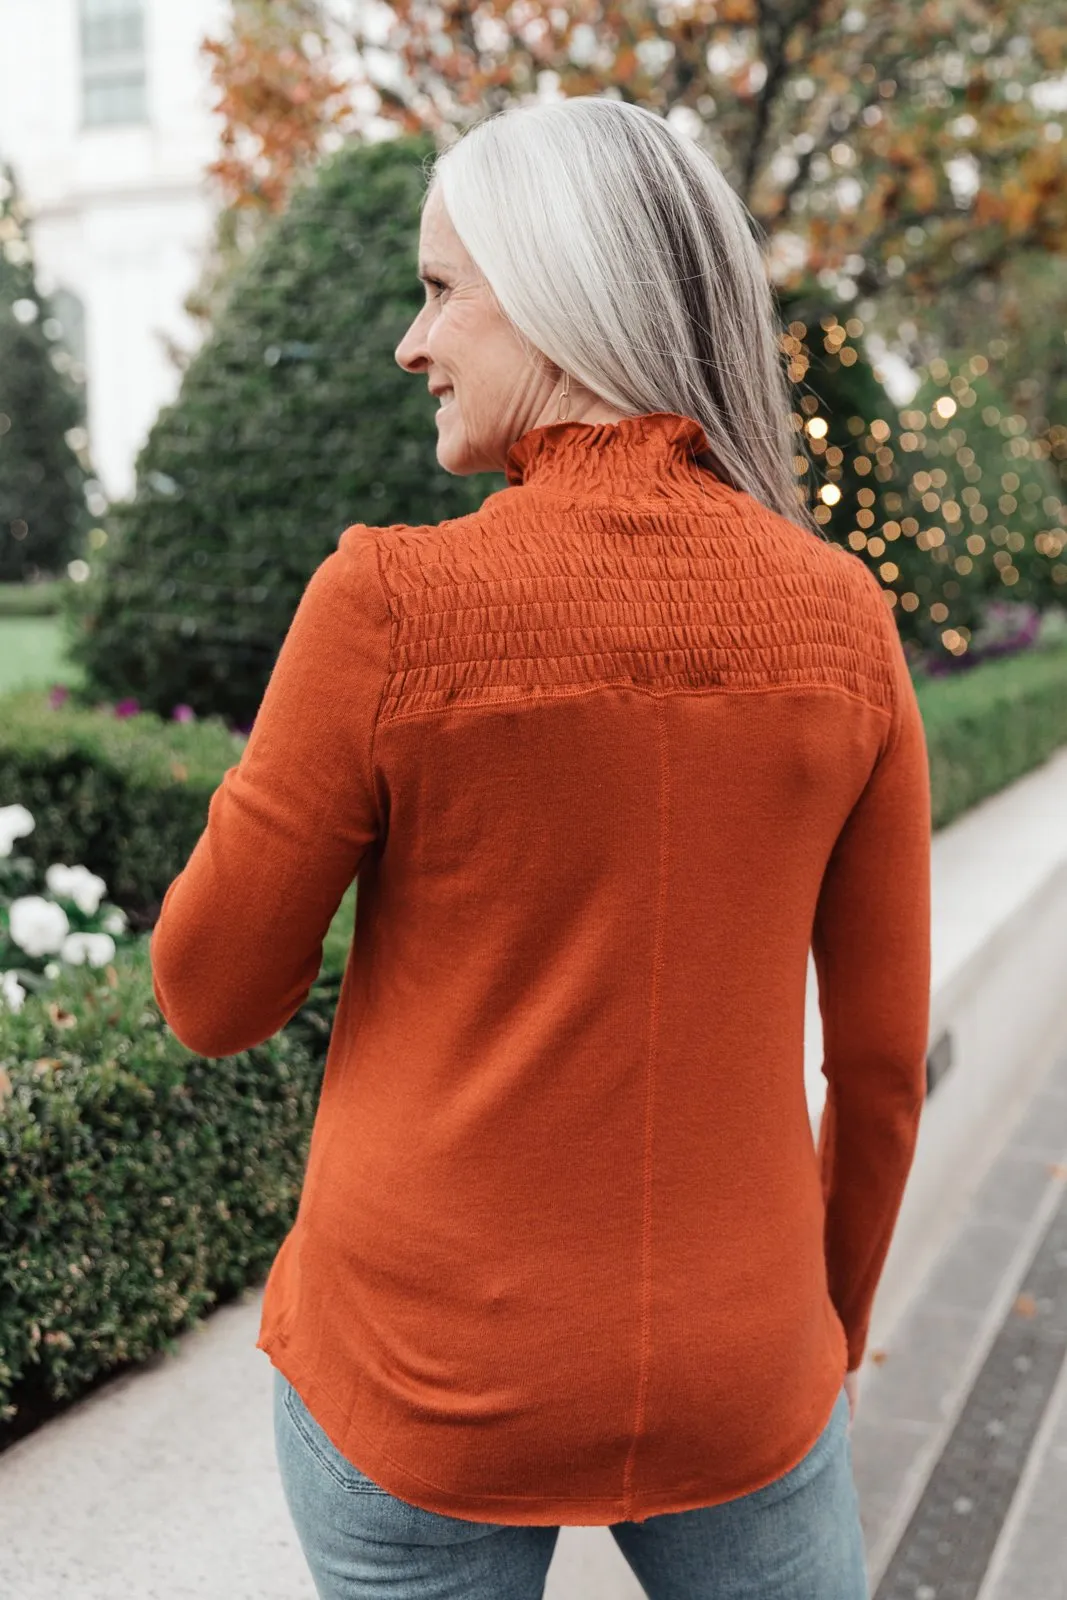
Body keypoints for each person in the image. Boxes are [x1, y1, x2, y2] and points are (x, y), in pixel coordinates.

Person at [150, 95, 931, 1600]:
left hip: (418, 1376)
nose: (409, 341)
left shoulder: (385, 605)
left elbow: (209, 997)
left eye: (440, 289)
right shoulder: (843, 619)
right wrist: (812, 1343)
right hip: (742, 1372)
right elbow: (884, 1066)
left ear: (564, 297)